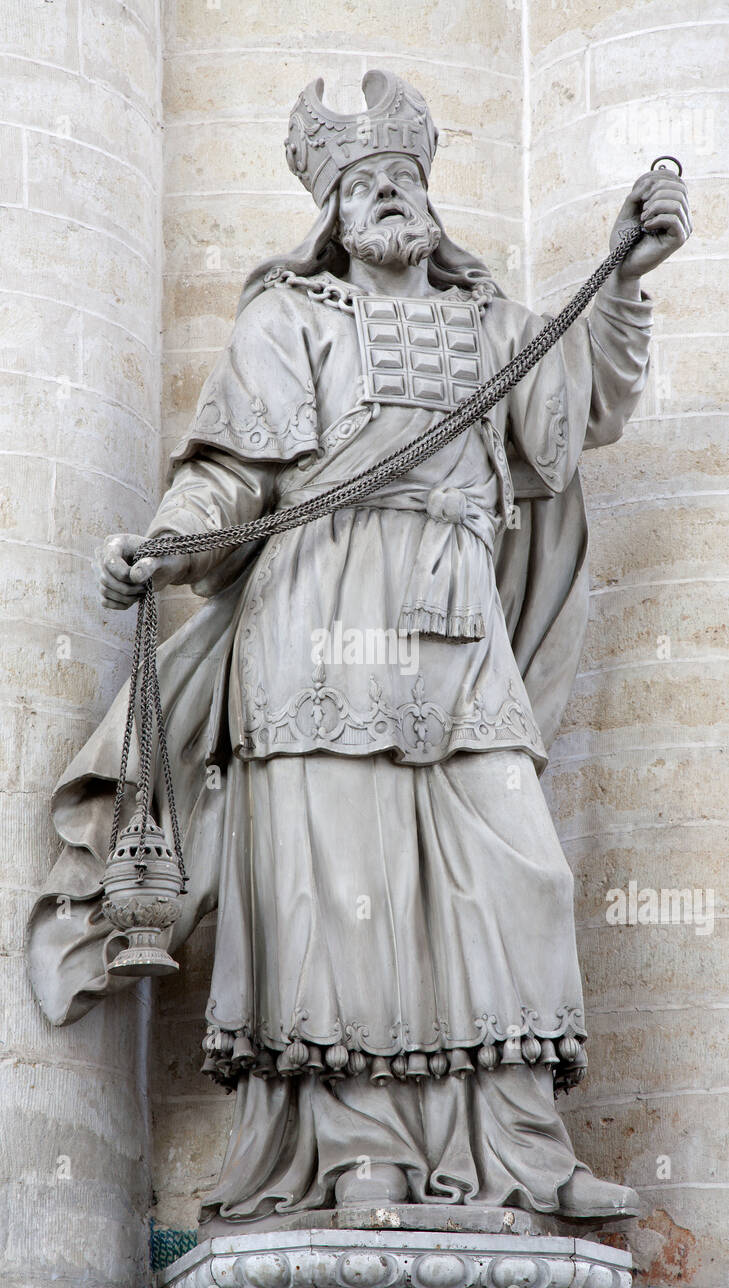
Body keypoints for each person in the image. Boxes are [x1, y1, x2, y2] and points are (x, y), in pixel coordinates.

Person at [29, 71, 692, 1226]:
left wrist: (625, 278)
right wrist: (168, 545)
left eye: (405, 177)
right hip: (315, 635)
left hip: (456, 629)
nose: (390, 195)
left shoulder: (490, 320)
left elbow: (579, 409)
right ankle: (360, 1152)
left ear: (431, 198)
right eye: (365, 182)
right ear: (329, 214)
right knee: (340, 894)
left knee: (516, 871)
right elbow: (230, 476)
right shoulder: (286, 321)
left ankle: (525, 1145)